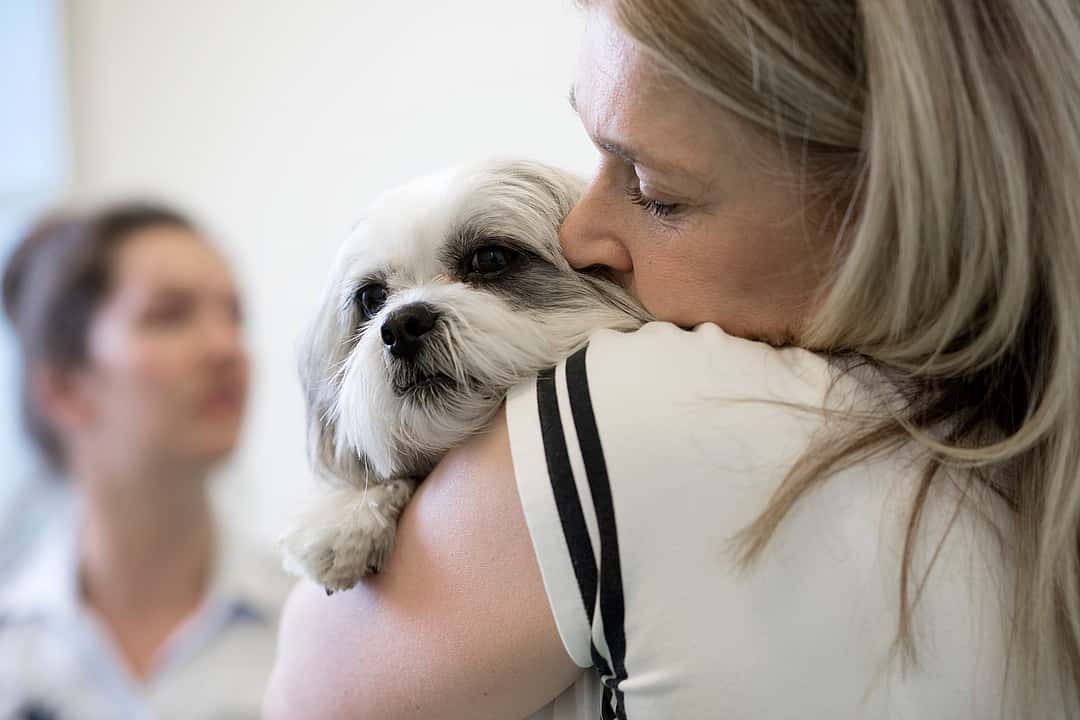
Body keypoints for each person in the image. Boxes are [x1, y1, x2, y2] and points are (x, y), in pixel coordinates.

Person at [264, 1, 1080, 718]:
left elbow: (306, 690)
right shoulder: (1024, 471)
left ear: (876, 213)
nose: (583, 238)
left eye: (654, 188)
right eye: (371, 306)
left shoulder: (643, 410)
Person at [0, 203, 291, 719]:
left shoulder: (310, 625)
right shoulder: (12, 653)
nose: (227, 348)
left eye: (234, 316)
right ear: (63, 387)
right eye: (169, 315)